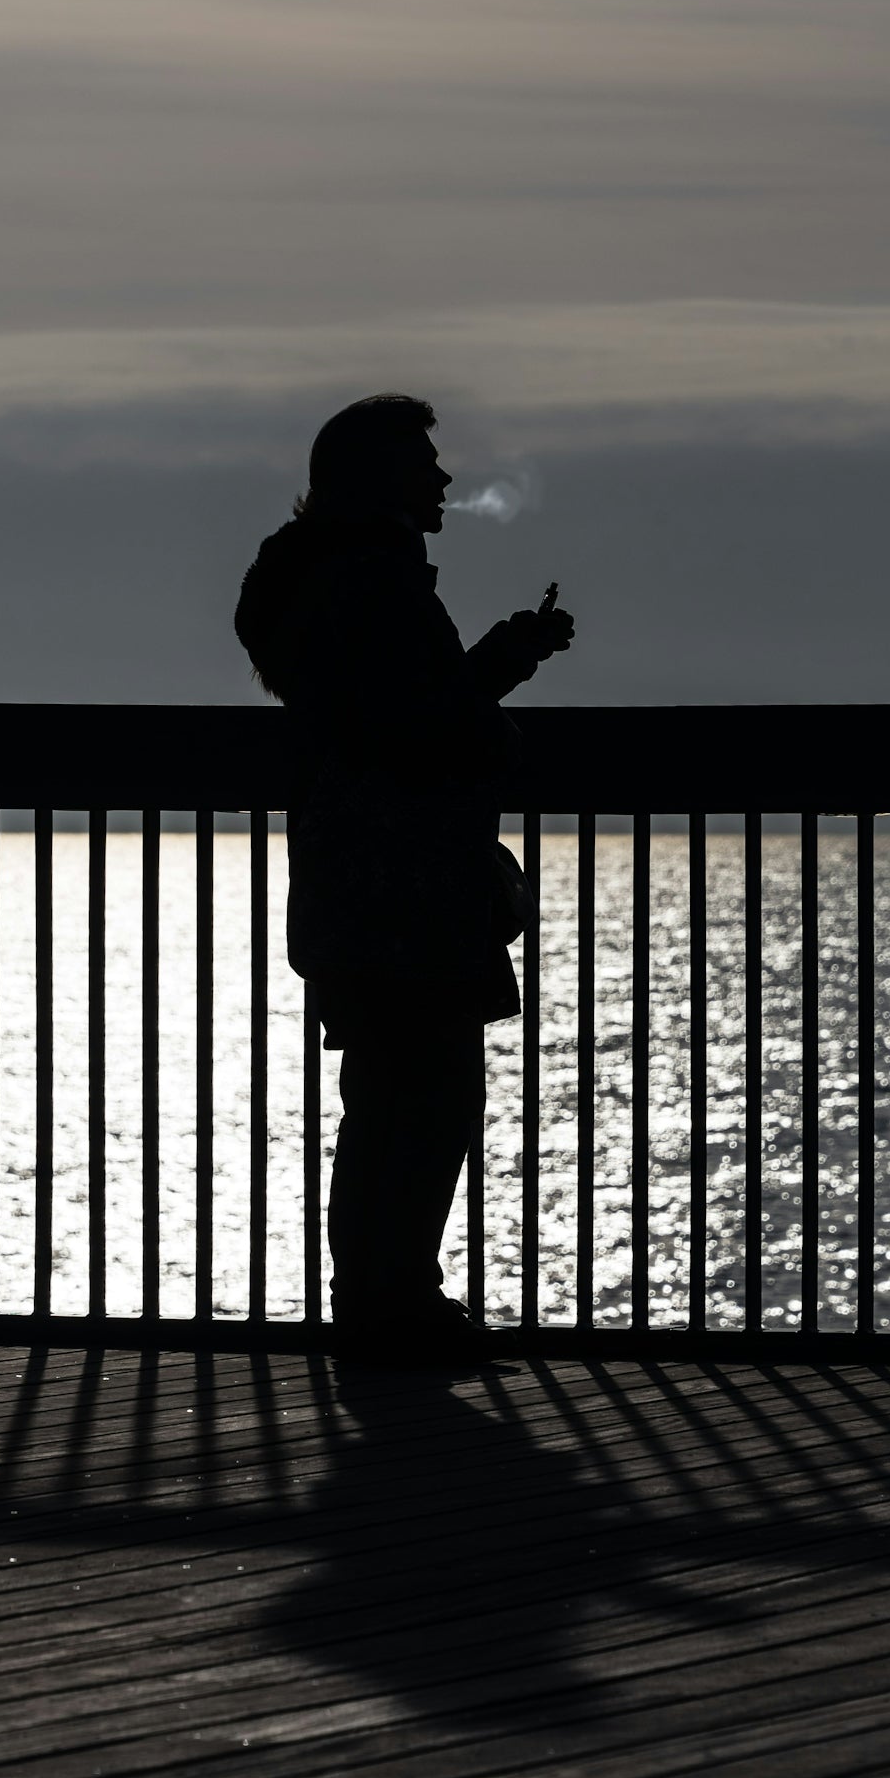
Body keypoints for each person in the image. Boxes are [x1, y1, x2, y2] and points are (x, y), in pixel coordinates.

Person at [234, 395, 574, 1360]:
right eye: (423, 462)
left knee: (384, 1097)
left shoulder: (309, 581)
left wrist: (485, 672)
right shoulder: (377, 585)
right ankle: (399, 1308)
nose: (442, 480)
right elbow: (418, 725)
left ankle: (377, 1303)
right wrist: (496, 700)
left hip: (349, 874)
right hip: (408, 881)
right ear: (377, 477)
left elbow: (377, 709)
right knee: (426, 1099)